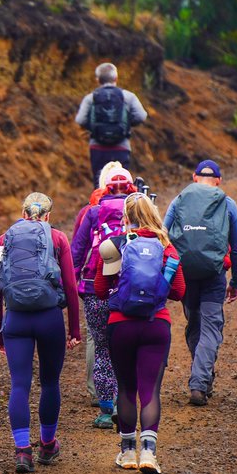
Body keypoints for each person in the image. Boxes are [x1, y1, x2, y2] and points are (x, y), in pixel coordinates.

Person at [94, 192, 185, 474]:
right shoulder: (166, 247)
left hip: (121, 325)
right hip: (155, 324)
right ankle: (149, 453)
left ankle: (127, 452)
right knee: (150, 391)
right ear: (153, 215)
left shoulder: (116, 246)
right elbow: (179, 292)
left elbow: (99, 289)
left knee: (126, 387)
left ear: (126, 218)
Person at [0, 193, 82, 473]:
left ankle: (22, 452)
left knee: (20, 384)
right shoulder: (58, 239)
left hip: (15, 320)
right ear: (48, 216)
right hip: (49, 318)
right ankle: (47, 445)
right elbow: (70, 287)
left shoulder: (4, 240)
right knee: (50, 382)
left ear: (23, 213)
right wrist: (74, 328)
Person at [164, 159, 237, 407]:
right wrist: (236, 280)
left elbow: (163, 236)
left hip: (185, 274)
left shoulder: (179, 200)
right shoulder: (228, 204)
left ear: (194, 177)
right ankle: (200, 383)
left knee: (195, 323)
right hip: (214, 275)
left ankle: (202, 375)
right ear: (218, 180)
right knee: (211, 328)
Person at [71, 163, 137, 428]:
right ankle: (126, 404)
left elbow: (77, 250)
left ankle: (105, 409)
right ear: (132, 187)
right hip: (129, 287)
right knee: (128, 348)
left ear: (104, 188)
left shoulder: (93, 211)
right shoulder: (139, 208)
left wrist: (73, 281)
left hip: (95, 286)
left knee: (101, 348)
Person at [75, 62, 149, 186]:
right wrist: (126, 125)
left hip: (97, 147)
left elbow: (80, 120)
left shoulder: (91, 98)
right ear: (116, 78)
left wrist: (94, 127)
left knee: (100, 183)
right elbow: (141, 116)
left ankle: (99, 205)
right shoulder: (128, 97)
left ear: (97, 80)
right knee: (121, 183)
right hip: (121, 146)